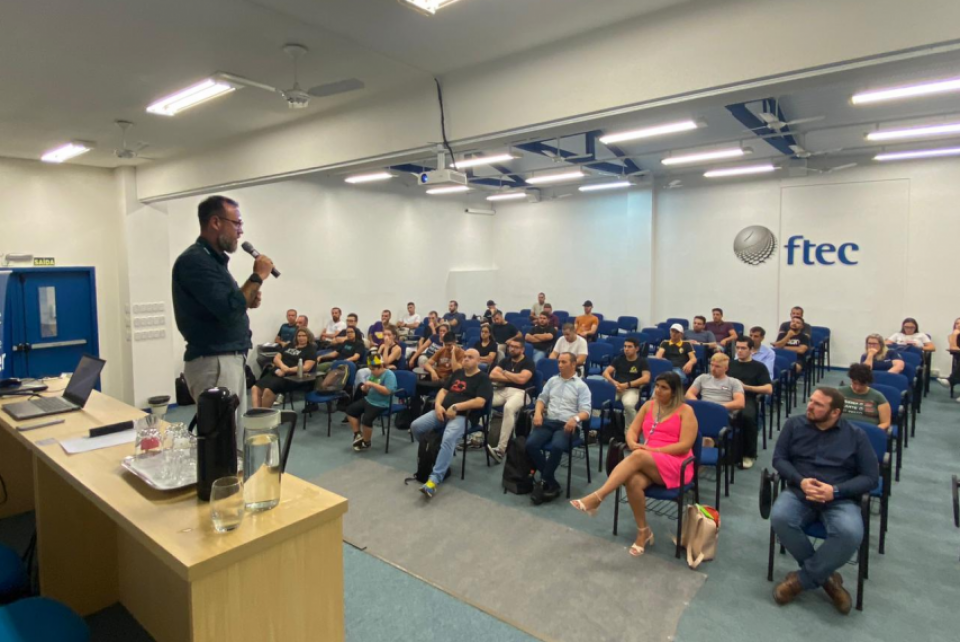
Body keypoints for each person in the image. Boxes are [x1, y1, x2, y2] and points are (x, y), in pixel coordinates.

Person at [770, 387, 879, 614]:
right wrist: (800, 481)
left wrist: (835, 491)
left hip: (839, 498)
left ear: (835, 412)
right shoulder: (794, 425)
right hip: (800, 492)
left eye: (818, 404)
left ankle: (801, 580)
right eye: (811, 400)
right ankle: (828, 580)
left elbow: (871, 477)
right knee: (780, 518)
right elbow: (779, 459)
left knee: (850, 533)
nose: (810, 406)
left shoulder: (856, 436)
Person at [172, 195, 274, 438]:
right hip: (214, 361)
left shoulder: (212, 261)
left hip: (224, 359)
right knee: (222, 440)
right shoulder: (196, 261)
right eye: (236, 223)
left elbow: (225, 305)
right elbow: (229, 310)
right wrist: (257, 276)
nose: (241, 231)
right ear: (215, 222)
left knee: (230, 436)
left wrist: (248, 300)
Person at [570, 372, 697, 556]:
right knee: (633, 481)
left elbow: (685, 446)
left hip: (676, 463)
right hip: (649, 459)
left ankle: (598, 497)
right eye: (657, 386)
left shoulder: (686, 411)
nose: (658, 390)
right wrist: (631, 442)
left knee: (638, 456)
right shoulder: (648, 405)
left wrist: (653, 450)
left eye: (664, 388)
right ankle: (643, 531)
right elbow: (632, 430)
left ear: (675, 391)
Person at [412, 349, 493, 499]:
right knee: (416, 426)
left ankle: (434, 480)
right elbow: (443, 391)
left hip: (463, 416)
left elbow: (480, 402)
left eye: (470, 357)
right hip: (442, 412)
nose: (466, 359)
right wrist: (438, 405)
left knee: (448, 438)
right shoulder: (457, 373)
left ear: (478, 361)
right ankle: (437, 453)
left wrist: (456, 407)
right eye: (465, 357)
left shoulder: (483, 379)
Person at [527, 353, 592, 504]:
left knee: (557, 446)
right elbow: (541, 399)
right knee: (531, 444)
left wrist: (575, 419)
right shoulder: (552, 380)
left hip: (567, 424)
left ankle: (545, 480)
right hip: (549, 421)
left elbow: (586, 411)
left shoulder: (581, 386)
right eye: (559, 362)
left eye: (564, 362)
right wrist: (538, 413)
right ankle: (551, 481)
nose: (560, 365)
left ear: (573, 364)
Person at [487, 338, 535, 462]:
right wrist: (513, 377)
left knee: (508, 408)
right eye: (510, 346)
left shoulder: (528, 363)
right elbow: (492, 375)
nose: (512, 349)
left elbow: (522, 380)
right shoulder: (505, 360)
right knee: (483, 401)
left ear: (522, 349)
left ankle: (500, 450)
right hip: (503, 390)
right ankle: (477, 436)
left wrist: (504, 373)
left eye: (516, 347)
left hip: (521, 393)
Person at [729, 337, 773, 468]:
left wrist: (746, 387)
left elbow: (768, 389)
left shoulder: (759, 367)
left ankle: (748, 454)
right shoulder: (730, 364)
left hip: (748, 397)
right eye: (737, 348)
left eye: (743, 348)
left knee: (747, 416)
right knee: (708, 410)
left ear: (751, 350)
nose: (739, 351)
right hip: (727, 395)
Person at [251, 327, 317, 408]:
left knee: (268, 390)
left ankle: (264, 414)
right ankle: (257, 413)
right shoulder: (290, 345)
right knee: (255, 388)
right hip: (278, 371)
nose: (301, 338)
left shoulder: (310, 350)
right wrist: (282, 366)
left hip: (291, 377)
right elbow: (276, 358)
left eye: (304, 336)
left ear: (308, 337)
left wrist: (288, 370)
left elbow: (307, 367)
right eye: (299, 336)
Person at [345, 353, 398, 452]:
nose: (372, 372)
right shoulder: (373, 374)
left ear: (381, 366)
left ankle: (366, 442)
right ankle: (357, 434)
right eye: (370, 369)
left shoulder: (389, 375)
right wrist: (365, 388)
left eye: (373, 369)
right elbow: (367, 390)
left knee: (366, 419)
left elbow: (388, 391)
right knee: (350, 411)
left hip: (382, 403)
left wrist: (372, 384)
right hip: (369, 399)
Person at [602, 337, 650, 429]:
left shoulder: (642, 361)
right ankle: (604, 429)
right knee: (602, 401)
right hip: (616, 388)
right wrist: (614, 383)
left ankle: (632, 430)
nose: (626, 349)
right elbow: (605, 373)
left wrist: (627, 385)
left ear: (637, 349)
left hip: (631, 389)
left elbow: (646, 378)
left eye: (629, 347)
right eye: (625, 346)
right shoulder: (619, 359)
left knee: (628, 405)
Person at [838, 364, 891, 430]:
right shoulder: (839, 392)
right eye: (855, 383)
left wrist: (874, 431)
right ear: (851, 379)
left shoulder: (878, 397)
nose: (857, 388)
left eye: (862, 384)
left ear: (867, 382)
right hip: (842, 430)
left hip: (867, 432)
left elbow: (885, 423)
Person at [937, 317, 960, 395]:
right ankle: (951, 380)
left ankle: (950, 381)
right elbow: (953, 348)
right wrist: (955, 334)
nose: (959, 325)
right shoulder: (952, 336)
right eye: (957, 323)